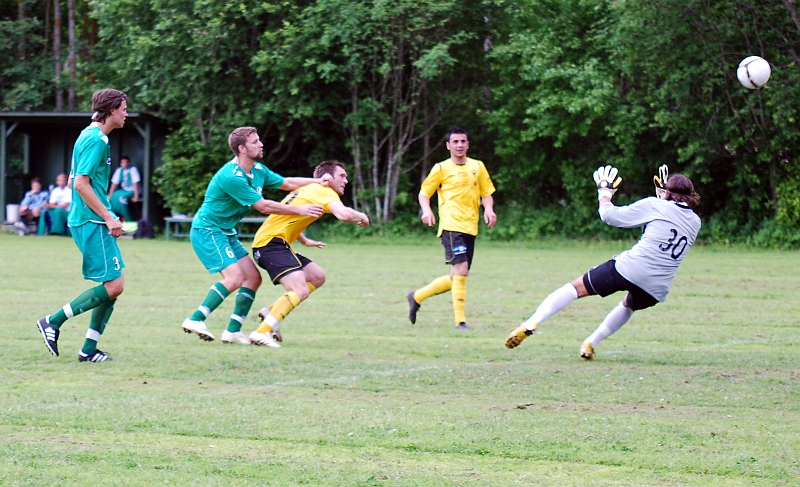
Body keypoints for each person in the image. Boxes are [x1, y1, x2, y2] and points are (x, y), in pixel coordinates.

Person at [505, 165, 702, 360]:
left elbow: (609, 216)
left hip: (631, 268)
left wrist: (605, 192)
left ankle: (531, 323)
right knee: (627, 305)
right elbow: (664, 222)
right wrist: (664, 197)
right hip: (657, 287)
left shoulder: (655, 205)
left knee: (575, 288)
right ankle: (590, 343)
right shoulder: (695, 222)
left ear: (668, 193)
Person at [181, 126, 332, 344]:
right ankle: (196, 318)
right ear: (241, 149)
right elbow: (263, 206)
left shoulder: (258, 170)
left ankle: (232, 331)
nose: (261, 144)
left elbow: (287, 183)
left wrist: (317, 181)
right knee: (234, 278)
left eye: (259, 140)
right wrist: (299, 210)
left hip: (226, 232)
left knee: (253, 278)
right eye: (255, 142)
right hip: (208, 230)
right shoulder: (232, 177)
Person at [36, 88, 129, 362]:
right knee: (114, 286)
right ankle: (52, 321)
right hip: (91, 221)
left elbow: (74, 180)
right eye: (123, 108)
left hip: (93, 219)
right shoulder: (96, 139)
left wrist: (108, 213)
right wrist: (108, 216)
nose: (126, 113)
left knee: (112, 285)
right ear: (111, 110)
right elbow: (78, 184)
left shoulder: (92, 136)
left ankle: (89, 349)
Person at [248, 160, 370, 347]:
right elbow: (344, 215)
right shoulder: (324, 191)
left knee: (316, 276)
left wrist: (304, 240)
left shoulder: (309, 189)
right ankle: (261, 332)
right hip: (270, 244)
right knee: (299, 289)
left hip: (275, 242)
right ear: (327, 179)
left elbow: (289, 217)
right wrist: (362, 216)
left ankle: (270, 312)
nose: (346, 180)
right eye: (342, 176)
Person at [406, 127, 497, 330]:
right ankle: (460, 322)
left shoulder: (478, 166)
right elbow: (424, 193)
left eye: (463, 141)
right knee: (461, 270)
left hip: (470, 226)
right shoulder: (441, 168)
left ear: (468, 144)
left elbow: (486, 192)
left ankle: (417, 296)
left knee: (457, 276)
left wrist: (489, 209)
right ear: (448, 146)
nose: (459, 145)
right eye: (455, 142)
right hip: (451, 226)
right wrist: (426, 211)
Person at [108, 156, 141, 222]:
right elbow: (114, 183)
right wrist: (109, 195)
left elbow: (136, 183)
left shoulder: (133, 169)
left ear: (129, 163)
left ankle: (127, 217)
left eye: (126, 163)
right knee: (114, 196)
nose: (124, 164)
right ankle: (115, 217)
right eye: (123, 163)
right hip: (124, 190)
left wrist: (136, 196)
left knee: (121, 198)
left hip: (132, 191)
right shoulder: (119, 170)